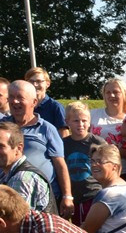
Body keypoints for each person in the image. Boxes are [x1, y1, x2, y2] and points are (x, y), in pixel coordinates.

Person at [4, 80, 72, 217]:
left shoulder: (46, 129)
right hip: (6, 195)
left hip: (41, 198)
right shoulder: (2, 128)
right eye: (11, 97)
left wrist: (67, 196)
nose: (15, 101)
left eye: (20, 97)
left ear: (34, 102)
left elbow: (60, 164)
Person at [82, 144, 126, 233]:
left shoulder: (110, 195)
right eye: (92, 161)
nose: (94, 165)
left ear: (115, 167)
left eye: (100, 161)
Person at [62, 102, 106, 225]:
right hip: (74, 195)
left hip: (93, 193)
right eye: (76, 121)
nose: (80, 124)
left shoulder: (97, 142)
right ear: (67, 122)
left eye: (84, 120)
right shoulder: (63, 143)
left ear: (89, 121)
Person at [0, 122, 54, 213]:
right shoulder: (5, 174)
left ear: (19, 148)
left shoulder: (22, 179)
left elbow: (16, 221)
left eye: (1, 146)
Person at [90, 78, 126, 184]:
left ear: (124, 94)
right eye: (108, 92)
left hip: (123, 172)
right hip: (95, 171)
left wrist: (113, 151)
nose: (111, 96)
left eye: (116, 92)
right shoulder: (93, 114)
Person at [24, 66, 66, 136]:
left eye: (39, 81)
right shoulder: (23, 106)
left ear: (47, 84)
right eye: (31, 81)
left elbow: (64, 136)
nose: (35, 85)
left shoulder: (55, 107)